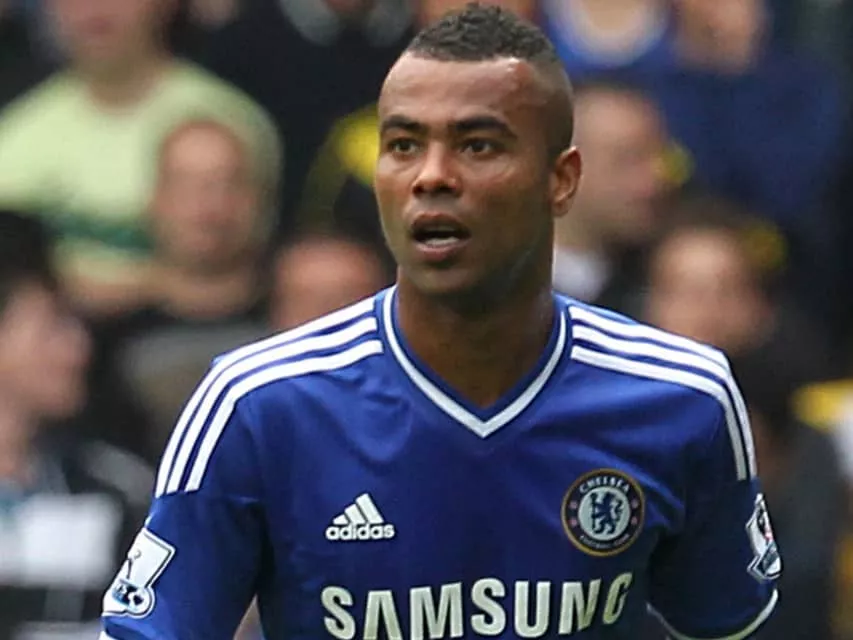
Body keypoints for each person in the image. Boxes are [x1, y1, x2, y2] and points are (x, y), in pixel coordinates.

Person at [100, 4, 780, 638]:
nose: (430, 177)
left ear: (561, 180)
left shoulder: (680, 398)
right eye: (402, 145)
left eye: (477, 146)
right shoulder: (258, 405)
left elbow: (729, 625)